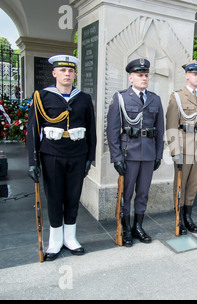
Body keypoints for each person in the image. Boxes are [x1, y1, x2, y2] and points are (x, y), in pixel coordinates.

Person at [27, 55, 97, 261]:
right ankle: (55, 241)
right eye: (63, 71)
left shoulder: (83, 98)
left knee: (73, 197)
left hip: (77, 154)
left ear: (74, 74)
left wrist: (89, 157)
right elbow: (33, 130)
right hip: (52, 154)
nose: (67, 74)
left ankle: (71, 238)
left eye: (71, 71)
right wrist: (33, 162)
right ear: (54, 73)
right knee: (55, 197)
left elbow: (91, 129)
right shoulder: (42, 97)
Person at [106, 58, 164, 247]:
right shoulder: (121, 98)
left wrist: (158, 154)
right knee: (126, 192)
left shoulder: (155, 99)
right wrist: (116, 157)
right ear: (131, 77)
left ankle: (138, 227)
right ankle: (125, 227)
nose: (144, 78)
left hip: (148, 153)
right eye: (140, 75)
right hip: (127, 153)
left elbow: (160, 130)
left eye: (146, 75)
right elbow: (112, 130)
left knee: (143, 193)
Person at [166, 60, 197, 234]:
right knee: (181, 184)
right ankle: (179, 216)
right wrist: (174, 151)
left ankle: (188, 216)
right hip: (183, 148)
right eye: (194, 74)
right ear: (187, 75)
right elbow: (171, 125)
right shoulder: (177, 97)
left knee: (193, 183)